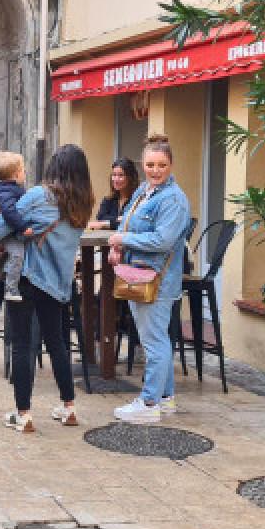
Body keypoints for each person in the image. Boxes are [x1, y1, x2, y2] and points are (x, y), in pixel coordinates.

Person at [0, 145, 93, 430]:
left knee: (22, 345)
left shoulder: (38, 195)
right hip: (59, 282)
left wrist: (2, 238)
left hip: (28, 278)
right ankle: (68, 407)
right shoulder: (84, 203)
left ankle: (23, 414)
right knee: (57, 342)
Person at [109, 133, 191, 423]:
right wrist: (120, 246)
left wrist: (124, 237)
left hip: (157, 279)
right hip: (141, 273)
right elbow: (132, 223)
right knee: (157, 338)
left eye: (162, 165)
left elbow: (162, 240)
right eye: (150, 164)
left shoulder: (173, 200)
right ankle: (165, 397)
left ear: (171, 165)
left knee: (154, 341)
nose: (155, 170)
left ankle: (149, 403)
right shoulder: (146, 190)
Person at [0, 152, 34, 302]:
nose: (25, 174)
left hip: (10, 230)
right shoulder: (9, 191)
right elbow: (9, 211)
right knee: (17, 255)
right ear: (16, 174)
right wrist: (23, 227)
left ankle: (6, 270)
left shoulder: (9, 189)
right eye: (23, 170)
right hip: (11, 232)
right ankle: (11, 289)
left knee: (15, 255)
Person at [88, 158, 140, 230]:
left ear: (130, 178)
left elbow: (132, 223)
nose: (116, 179)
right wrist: (119, 219)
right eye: (114, 175)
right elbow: (100, 219)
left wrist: (106, 223)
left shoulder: (138, 200)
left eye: (121, 175)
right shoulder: (108, 200)